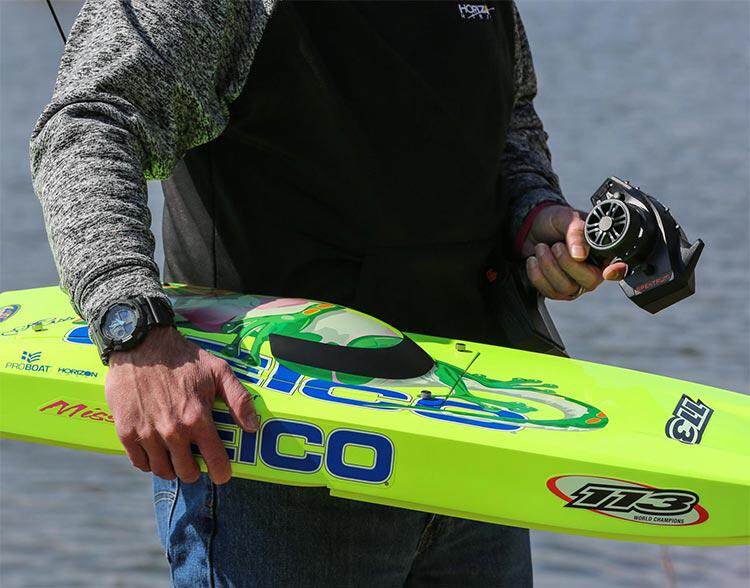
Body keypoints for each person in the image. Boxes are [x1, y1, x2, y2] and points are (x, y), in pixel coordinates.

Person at [31, 1, 625, 586]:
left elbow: (508, 120)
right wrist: (134, 331)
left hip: (478, 436)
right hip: (280, 456)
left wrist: (532, 212)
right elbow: (89, 122)